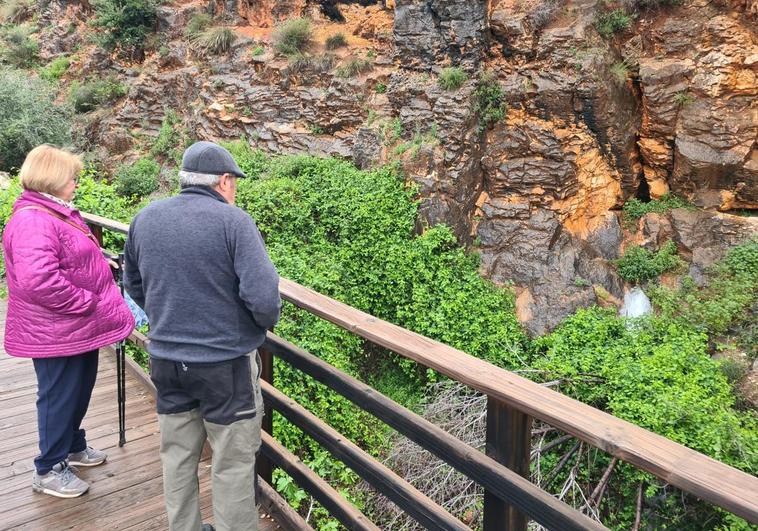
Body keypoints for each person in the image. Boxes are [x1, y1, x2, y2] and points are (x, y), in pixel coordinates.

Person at [124, 141, 281, 531]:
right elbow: (264, 298)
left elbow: (134, 284)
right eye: (235, 183)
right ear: (223, 181)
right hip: (224, 366)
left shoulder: (146, 219)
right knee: (231, 461)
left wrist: (169, 319)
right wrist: (255, 327)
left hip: (166, 360)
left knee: (177, 457)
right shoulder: (234, 222)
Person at [3, 145, 135, 498]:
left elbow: (69, 259)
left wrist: (99, 264)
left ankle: (72, 447)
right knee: (58, 395)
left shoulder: (52, 212)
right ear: (52, 178)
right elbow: (38, 280)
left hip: (72, 328)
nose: (76, 182)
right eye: (71, 176)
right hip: (55, 329)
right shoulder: (33, 219)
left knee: (78, 388)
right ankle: (48, 468)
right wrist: (87, 302)